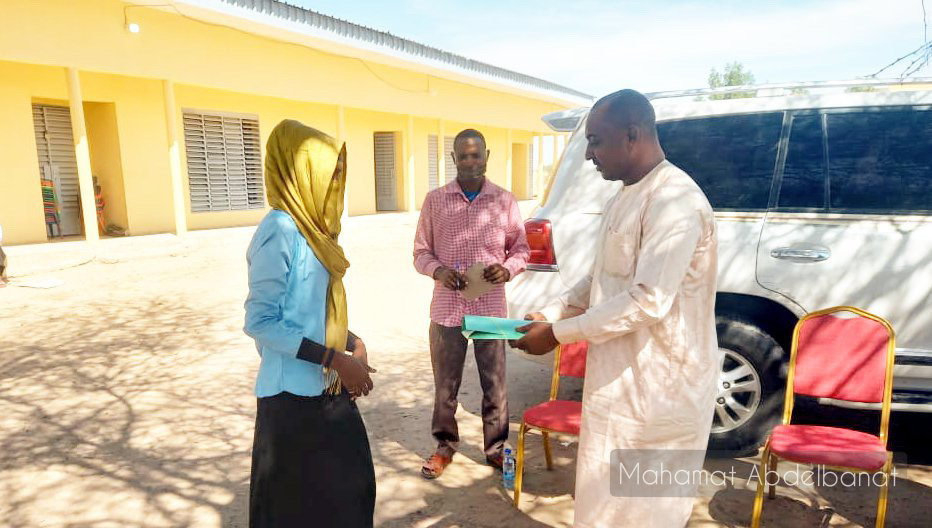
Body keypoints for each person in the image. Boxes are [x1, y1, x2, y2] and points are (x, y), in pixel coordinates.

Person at [513, 90, 719, 528]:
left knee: (646, 514)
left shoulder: (674, 200)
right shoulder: (624, 196)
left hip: (660, 392)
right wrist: (551, 314)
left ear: (632, 134)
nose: (588, 155)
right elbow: (601, 280)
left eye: (594, 141)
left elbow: (649, 300)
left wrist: (556, 336)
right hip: (618, 388)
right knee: (603, 509)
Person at [244, 120, 376, 528]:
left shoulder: (316, 232)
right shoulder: (280, 229)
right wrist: (334, 358)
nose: (335, 182)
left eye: (338, 173)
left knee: (353, 493)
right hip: (290, 400)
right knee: (295, 510)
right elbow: (260, 321)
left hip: (325, 386)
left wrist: (353, 343)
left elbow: (310, 311)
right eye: (327, 172)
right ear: (299, 174)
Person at [413, 128, 530, 479]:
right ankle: (444, 446)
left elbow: (522, 249)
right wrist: (439, 271)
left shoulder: (505, 201)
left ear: (487, 156)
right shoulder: (435, 200)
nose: (470, 161)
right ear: (453, 159)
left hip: (490, 311)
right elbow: (420, 252)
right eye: (462, 156)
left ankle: (496, 449)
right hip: (446, 311)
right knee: (445, 386)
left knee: (494, 384)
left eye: (475, 155)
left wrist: (506, 270)